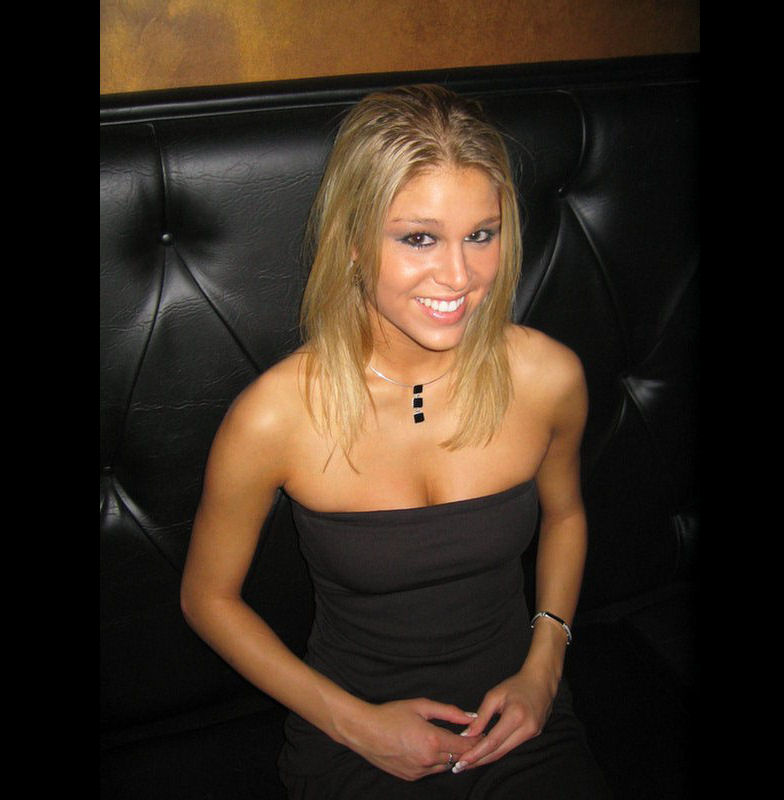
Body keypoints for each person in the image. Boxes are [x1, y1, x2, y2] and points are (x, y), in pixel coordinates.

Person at [180, 84, 609, 798]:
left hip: (517, 719)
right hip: (351, 730)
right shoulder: (274, 417)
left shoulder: (548, 378)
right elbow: (207, 598)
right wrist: (356, 726)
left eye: (482, 235)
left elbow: (565, 515)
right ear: (353, 242)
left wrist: (544, 667)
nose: (460, 276)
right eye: (418, 238)